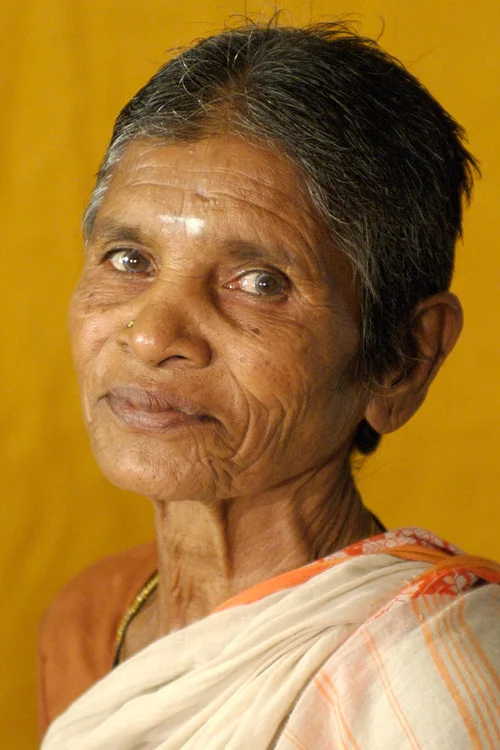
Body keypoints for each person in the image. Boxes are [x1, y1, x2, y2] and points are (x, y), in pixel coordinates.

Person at [38, 21, 500, 749]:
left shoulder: (445, 682)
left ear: (404, 359)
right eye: (128, 259)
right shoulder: (92, 621)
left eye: (260, 282)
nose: (152, 336)